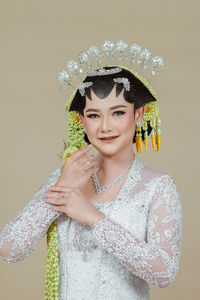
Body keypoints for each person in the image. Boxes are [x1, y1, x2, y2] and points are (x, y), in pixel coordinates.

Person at [0, 41, 182, 300]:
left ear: (139, 113)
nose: (105, 127)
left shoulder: (157, 187)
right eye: (94, 115)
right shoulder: (64, 179)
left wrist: (93, 217)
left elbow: (164, 273)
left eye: (118, 112)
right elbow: (8, 250)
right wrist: (62, 191)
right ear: (82, 120)